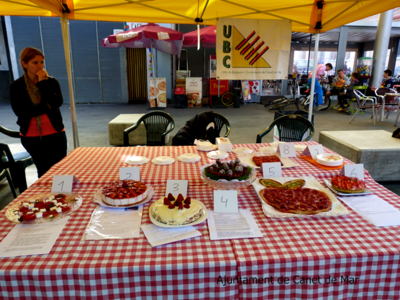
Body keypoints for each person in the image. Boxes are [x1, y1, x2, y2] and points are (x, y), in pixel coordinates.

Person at [10, 47, 67, 178]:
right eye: (35, 63)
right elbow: (21, 112)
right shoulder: (17, 86)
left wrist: (42, 83)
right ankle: (45, 198)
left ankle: (62, 197)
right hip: (32, 136)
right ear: (24, 64)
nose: (39, 66)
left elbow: (57, 103)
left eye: (41, 62)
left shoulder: (51, 82)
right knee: (43, 170)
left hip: (56, 134)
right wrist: (47, 106)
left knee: (60, 171)